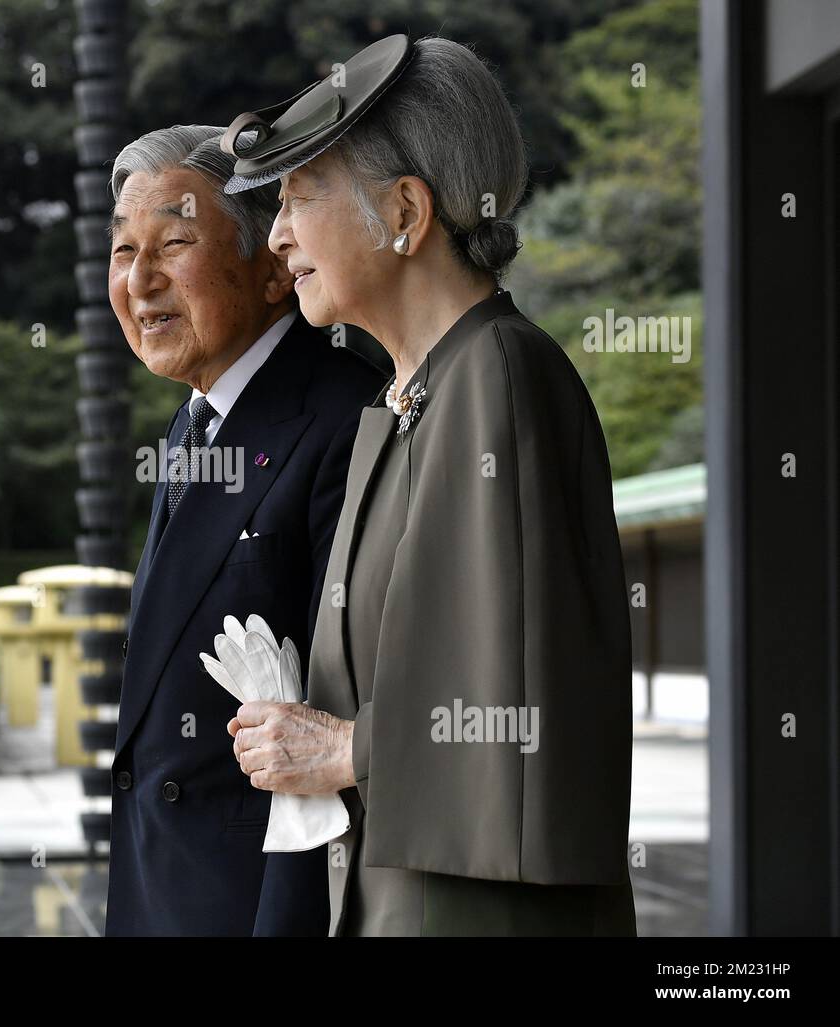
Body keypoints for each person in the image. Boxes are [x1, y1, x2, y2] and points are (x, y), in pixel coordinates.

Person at [221, 34, 636, 935]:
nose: (279, 234)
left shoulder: (497, 377)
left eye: (299, 197)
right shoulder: (417, 392)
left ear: (406, 211)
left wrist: (345, 749)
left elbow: (533, 706)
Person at [103, 124, 382, 936]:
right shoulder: (195, 421)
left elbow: (335, 715)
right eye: (124, 252)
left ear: (271, 268)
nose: (141, 280)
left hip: (254, 900)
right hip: (169, 886)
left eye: (174, 244)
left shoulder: (344, 417)